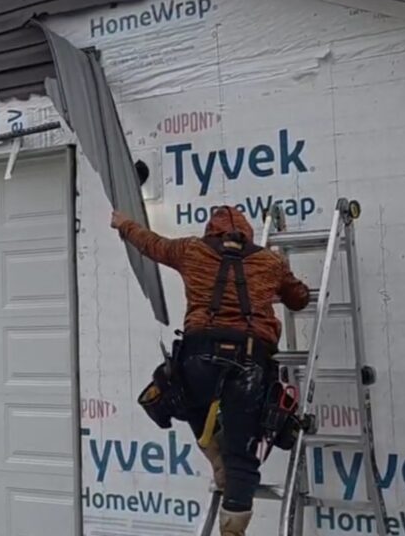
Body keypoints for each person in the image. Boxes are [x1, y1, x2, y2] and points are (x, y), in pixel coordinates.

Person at [112, 205, 310, 536]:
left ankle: (216, 458)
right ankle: (232, 523)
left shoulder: (192, 250)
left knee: (186, 400)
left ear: (211, 231)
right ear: (246, 233)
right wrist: (280, 279)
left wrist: (123, 224)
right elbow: (299, 300)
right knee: (243, 454)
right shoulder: (268, 262)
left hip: (198, 357)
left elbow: (151, 243)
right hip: (249, 362)